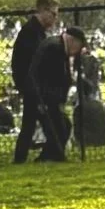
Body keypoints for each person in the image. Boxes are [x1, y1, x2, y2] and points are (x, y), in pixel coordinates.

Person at [10, 0, 59, 162]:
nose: (55, 18)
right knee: (47, 124)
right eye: (53, 14)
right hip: (33, 86)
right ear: (43, 10)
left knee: (30, 125)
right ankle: (52, 154)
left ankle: (23, 158)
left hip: (33, 86)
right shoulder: (31, 33)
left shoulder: (35, 31)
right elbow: (31, 63)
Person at [26, 13, 75, 160]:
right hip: (45, 98)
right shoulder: (55, 49)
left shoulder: (57, 47)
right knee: (60, 127)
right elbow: (48, 77)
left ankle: (48, 156)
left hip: (47, 97)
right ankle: (53, 156)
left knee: (62, 127)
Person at [71, 36, 105, 152]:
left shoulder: (82, 60)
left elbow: (79, 74)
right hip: (91, 86)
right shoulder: (92, 59)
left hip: (87, 86)